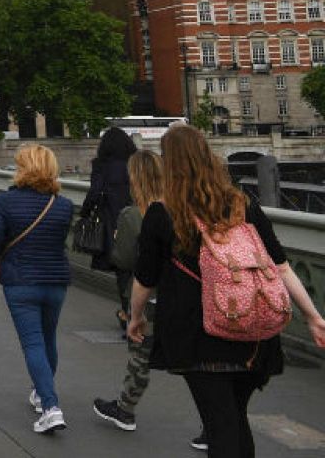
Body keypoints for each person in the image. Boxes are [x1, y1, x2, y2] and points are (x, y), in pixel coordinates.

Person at [129, 125, 325, 458]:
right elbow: (280, 265)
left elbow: (145, 279)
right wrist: (313, 316)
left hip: (199, 338)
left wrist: (135, 317)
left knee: (220, 427)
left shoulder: (162, 214)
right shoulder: (242, 204)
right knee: (234, 419)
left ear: (169, 164)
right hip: (252, 332)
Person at [0, 144, 76, 434]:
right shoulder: (63, 205)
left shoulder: (3, 203)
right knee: (48, 340)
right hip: (56, 280)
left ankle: (50, 406)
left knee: (33, 343)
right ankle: (40, 393)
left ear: (22, 168)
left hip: (21, 281)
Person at [94, 149, 168, 435]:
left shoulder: (131, 214)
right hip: (180, 294)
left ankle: (125, 409)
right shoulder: (180, 209)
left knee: (141, 354)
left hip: (145, 294)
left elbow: (123, 259)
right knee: (190, 361)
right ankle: (209, 426)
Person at [84, 126, 136, 327]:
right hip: (138, 219)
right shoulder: (135, 162)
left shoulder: (102, 165)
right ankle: (139, 313)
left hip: (113, 222)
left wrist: (85, 213)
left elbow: (95, 193)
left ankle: (127, 314)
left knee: (122, 270)